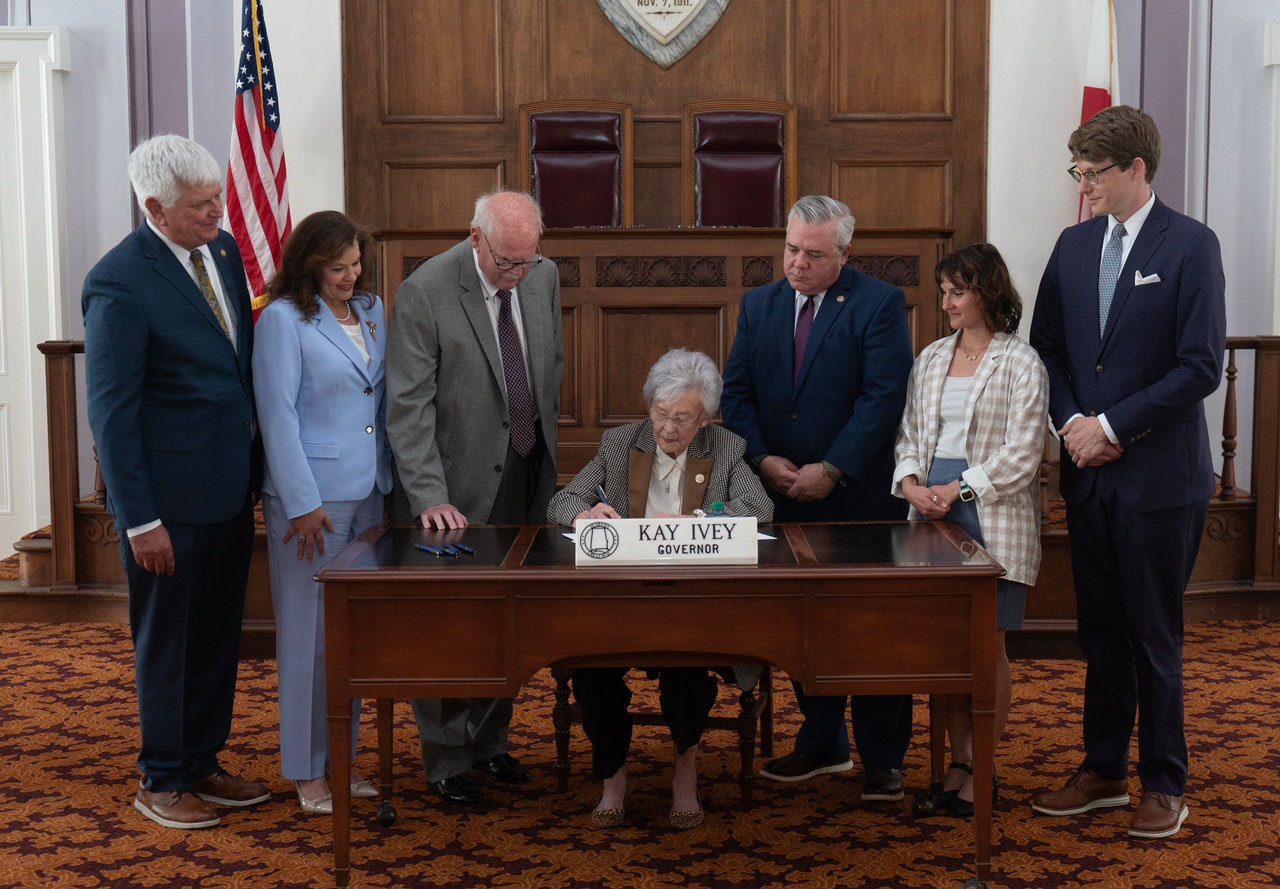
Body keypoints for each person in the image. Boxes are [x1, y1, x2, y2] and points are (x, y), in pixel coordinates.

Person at [1029, 105, 1225, 839]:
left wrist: (1113, 425)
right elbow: (1046, 347)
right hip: (1088, 474)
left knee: (1153, 633)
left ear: (1136, 169)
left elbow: (1200, 365)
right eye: (1076, 172)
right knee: (1101, 629)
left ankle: (1164, 780)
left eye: (1093, 172)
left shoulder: (1191, 246)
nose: (1083, 187)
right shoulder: (1074, 245)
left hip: (1158, 480)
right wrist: (1075, 425)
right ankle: (1104, 766)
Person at [82, 135, 268, 829]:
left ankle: (202, 762)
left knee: (217, 635)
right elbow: (112, 413)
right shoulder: (119, 282)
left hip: (226, 488)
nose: (219, 211)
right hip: (166, 506)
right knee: (167, 641)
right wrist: (139, 520)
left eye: (219, 196)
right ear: (155, 207)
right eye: (201, 204)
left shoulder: (219, 251)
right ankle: (160, 778)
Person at [720, 194, 914, 800]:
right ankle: (823, 741)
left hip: (856, 499)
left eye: (813, 254)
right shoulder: (758, 305)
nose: (797, 264)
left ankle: (883, 759)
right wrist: (762, 458)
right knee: (800, 625)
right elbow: (737, 393)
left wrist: (831, 468)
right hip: (781, 495)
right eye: (790, 249)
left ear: (844, 254)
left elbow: (883, 399)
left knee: (870, 630)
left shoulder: (878, 304)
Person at [547, 348, 774, 830]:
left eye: (682, 418)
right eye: (660, 414)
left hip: (694, 600)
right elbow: (562, 501)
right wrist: (586, 514)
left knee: (688, 667)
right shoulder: (618, 443)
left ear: (705, 420)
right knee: (591, 670)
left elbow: (760, 509)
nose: (668, 428)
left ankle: (685, 770)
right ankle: (612, 776)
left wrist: (701, 520)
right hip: (620, 600)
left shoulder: (726, 448)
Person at [386, 190, 563, 805]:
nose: (517, 274)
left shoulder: (543, 278)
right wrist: (428, 494)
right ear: (475, 238)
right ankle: (446, 762)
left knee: (506, 622)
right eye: (506, 263)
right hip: (453, 492)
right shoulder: (426, 291)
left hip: (524, 473)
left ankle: (489, 745)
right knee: (448, 628)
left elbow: (548, 372)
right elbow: (408, 407)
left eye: (527, 262)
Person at [892, 243, 1048, 818]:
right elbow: (908, 435)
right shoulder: (931, 357)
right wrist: (910, 483)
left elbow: (1024, 454)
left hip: (990, 511)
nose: (947, 302)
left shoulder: (1021, 361)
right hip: (929, 515)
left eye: (957, 291)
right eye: (943, 292)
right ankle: (958, 764)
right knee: (946, 648)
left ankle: (982, 768)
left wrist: (957, 489)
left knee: (988, 646)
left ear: (987, 292)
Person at [253, 211, 393, 814]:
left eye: (357, 264)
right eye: (338, 268)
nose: (351, 276)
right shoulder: (283, 321)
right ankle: (306, 771)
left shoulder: (371, 310)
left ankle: (342, 761)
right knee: (308, 639)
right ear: (309, 265)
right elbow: (276, 415)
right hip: (311, 502)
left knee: (353, 639)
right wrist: (301, 501)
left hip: (371, 494)